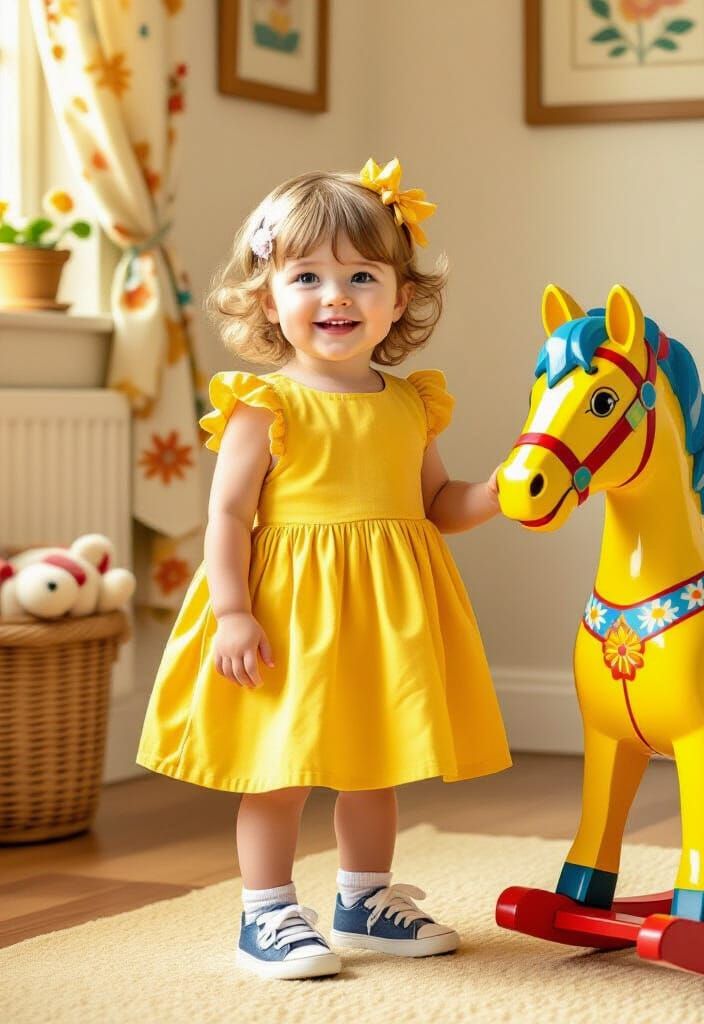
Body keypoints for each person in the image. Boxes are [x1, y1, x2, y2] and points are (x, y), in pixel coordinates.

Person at [137, 159, 512, 980]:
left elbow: (437, 503)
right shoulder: (266, 404)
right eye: (306, 276)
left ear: (399, 299)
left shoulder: (411, 404)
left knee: (374, 764)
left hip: (382, 614)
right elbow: (228, 515)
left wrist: (498, 492)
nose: (335, 296)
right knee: (279, 770)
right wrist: (233, 612)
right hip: (288, 613)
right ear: (270, 299)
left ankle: (363, 901)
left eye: (361, 276)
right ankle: (267, 911)